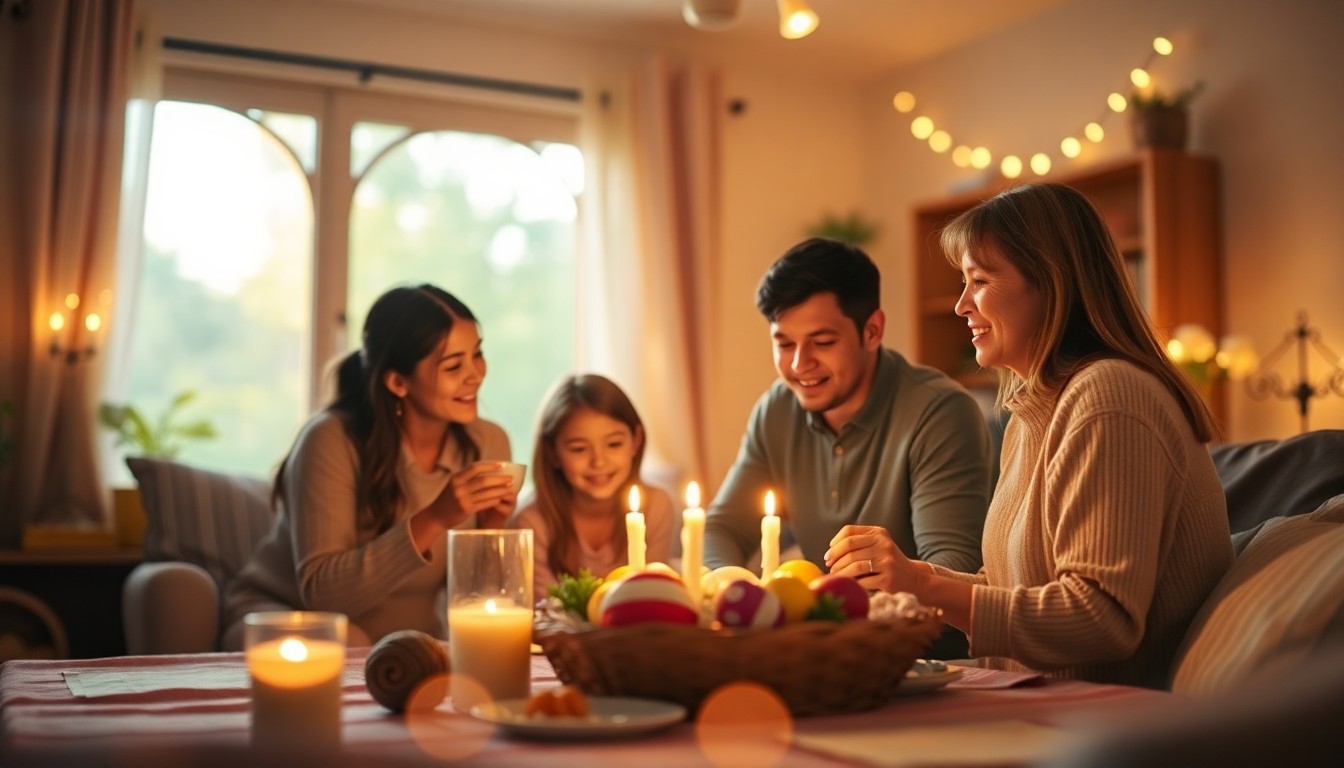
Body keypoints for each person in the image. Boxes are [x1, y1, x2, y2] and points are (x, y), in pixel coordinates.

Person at [825, 182, 1233, 688]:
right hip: (1042, 693)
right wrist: (907, 577)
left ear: (1050, 283)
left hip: (1107, 722)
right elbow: (1012, 590)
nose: (960, 306)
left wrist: (924, 587)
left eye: (978, 281)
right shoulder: (1031, 412)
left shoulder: (1111, 398)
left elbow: (1100, 618)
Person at [220, 284, 517, 650]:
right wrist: (436, 517)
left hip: (404, 645)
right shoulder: (331, 439)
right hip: (286, 619)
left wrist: (491, 530)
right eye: (454, 365)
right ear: (397, 382)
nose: (476, 375)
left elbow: (483, 606)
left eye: (478, 354)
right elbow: (323, 595)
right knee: (351, 644)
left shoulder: (487, 443)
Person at [703, 237, 992, 590]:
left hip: (919, 640)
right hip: (828, 635)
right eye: (784, 344)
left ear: (872, 331)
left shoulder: (940, 411)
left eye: (822, 343)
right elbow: (725, 528)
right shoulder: (776, 409)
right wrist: (730, 591)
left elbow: (954, 565)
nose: (799, 365)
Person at [508, 374, 675, 599]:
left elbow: (654, 594)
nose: (599, 461)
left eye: (614, 444)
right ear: (553, 453)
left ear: (635, 441)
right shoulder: (532, 521)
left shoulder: (656, 506)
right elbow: (546, 610)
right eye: (579, 449)